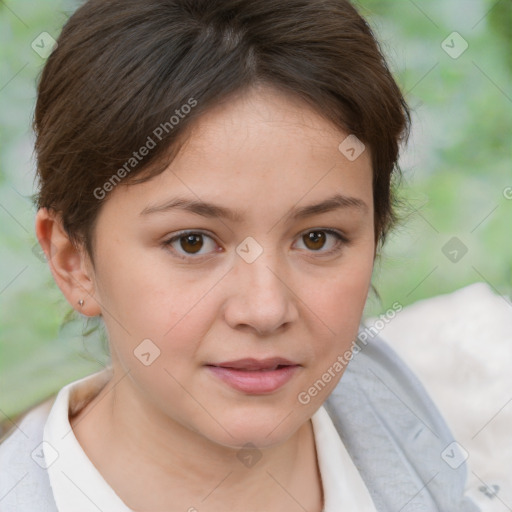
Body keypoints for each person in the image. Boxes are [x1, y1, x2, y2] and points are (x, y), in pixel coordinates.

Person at [0, 0, 480, 511]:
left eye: (318, 238)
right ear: (73, 260)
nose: (266, 309)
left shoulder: (465, 407)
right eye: (192, 242)